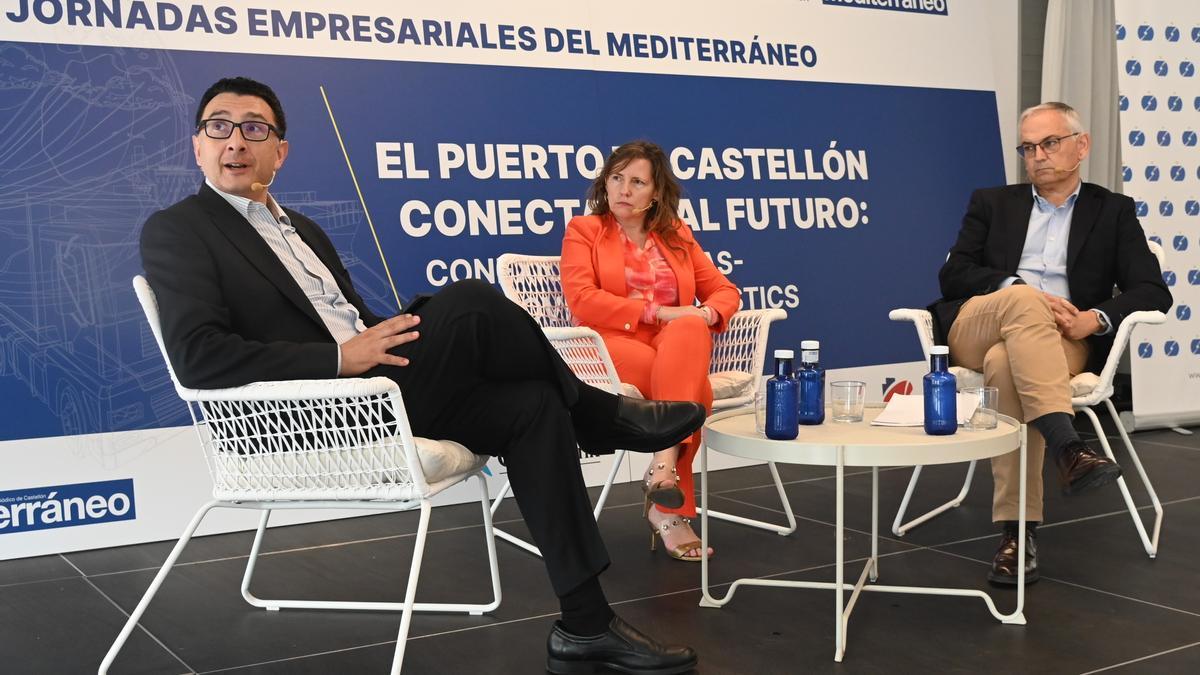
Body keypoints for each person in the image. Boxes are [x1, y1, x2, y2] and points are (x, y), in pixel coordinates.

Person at [140, 76, 705, 674]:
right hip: (309, 410)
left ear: (279, 152)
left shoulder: (302, 229)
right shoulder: (179, 229)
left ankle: (586, 626)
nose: (235, 141)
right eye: (218, 126)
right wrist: (340, 359)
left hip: (379, 389)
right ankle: (597, 415)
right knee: (471, 300)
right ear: (197, 145)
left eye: (254, 128)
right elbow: (198, 355)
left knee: (534, 402)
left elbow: (354, 321)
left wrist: (397, 334)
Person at [929, 102, 1172, 585]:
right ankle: (1068, 444)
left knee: (1007, 365)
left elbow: (1152, 291)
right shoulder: (992, 202)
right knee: (1023, 303)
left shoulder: (1113, 211)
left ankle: (1017, 534)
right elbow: (952, 274)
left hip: (1063, 338)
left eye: (1049, 143)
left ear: (1081, 146)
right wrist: (1016, 286)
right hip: (981, 322)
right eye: (1028, 147)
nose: (1037, 156)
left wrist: (1097, 318)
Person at [561, 141, 741, 562]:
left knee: (692, 327)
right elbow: (583, 299)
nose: (623, 189)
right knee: (692, 386)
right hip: (607, 347)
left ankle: (663, 472)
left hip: (669, 349)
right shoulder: (585, 230)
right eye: (616, 178)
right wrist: (658, 311)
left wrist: (708, 312)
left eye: (637, 181)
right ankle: (667, 503)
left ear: (656, 193)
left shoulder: (676, 235)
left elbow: (724, 290)